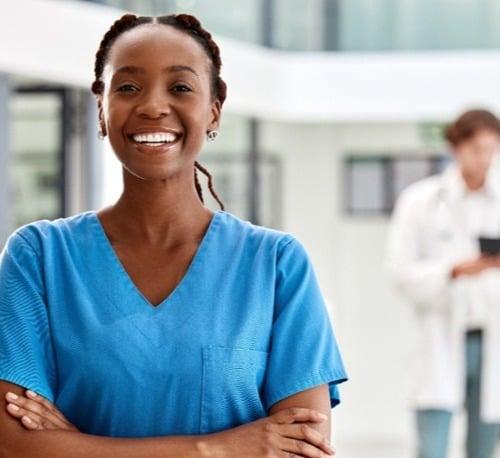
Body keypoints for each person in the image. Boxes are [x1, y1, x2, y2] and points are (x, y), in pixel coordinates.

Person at [0, 13, 347, 458]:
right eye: (127, 88)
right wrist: (216, 448)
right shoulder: (39, 257)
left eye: (180, 88)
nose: (152, 106)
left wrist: (75, 446)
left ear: (214, 109)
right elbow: (14, 445)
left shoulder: (276, 264)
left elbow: (303, 448)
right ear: (101, 108)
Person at [387, 109, 500, 458]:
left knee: (483, 449)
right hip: (440, 336)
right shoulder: (420, 201)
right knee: (432, 449)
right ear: (456, 146)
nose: (484, 159)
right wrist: (453, 271)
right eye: (477, 149)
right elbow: (400, 273)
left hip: (490, 338)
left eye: (491, 149)